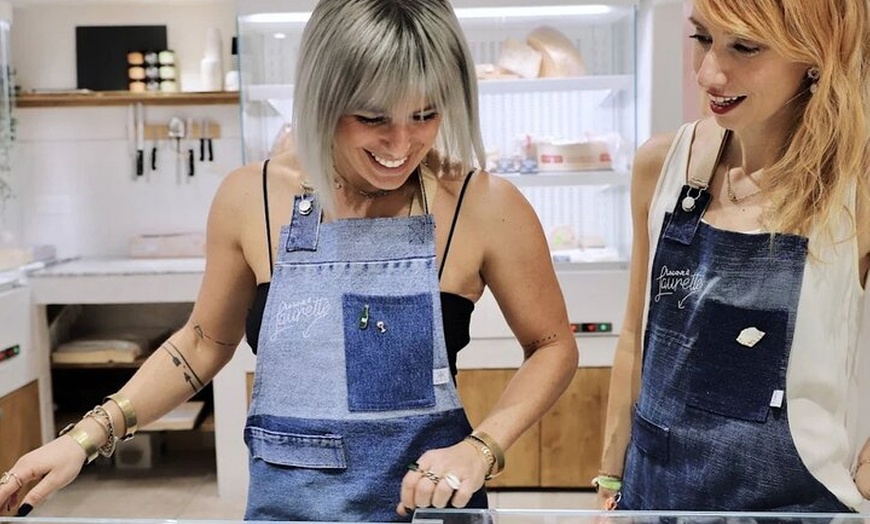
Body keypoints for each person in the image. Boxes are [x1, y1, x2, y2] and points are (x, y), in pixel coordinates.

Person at [0, 0, 579, 521]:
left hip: (428, 510)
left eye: (425, 115)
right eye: (372, 117)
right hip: (287, 512)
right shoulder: (249, 197)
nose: (401, 145)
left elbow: (552, 345)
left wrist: (481, 449)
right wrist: (81, 439)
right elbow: (202, 342)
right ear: (321, 95)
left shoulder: (483, 205)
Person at [596, 0, 870, 512]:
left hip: (798, 505)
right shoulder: (663, 165)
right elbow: (636, 334)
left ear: (815, 54)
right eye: (702, 38)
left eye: (744, 46)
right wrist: (611, 479)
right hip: (655, 498)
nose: (708, 74)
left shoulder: (856, 186)